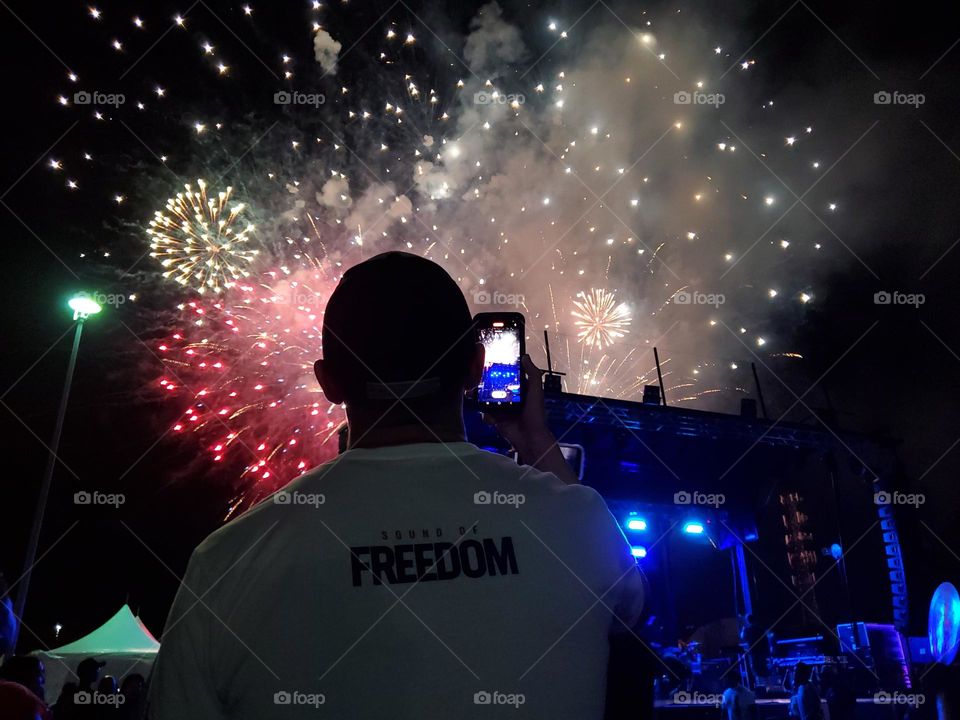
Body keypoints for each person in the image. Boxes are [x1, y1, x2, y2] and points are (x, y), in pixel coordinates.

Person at [146, 251, 645, 719]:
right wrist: (534, 438)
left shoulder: (226, 563)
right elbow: (628, 612)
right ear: (476, 367)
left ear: (329, 382)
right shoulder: (577, 523)